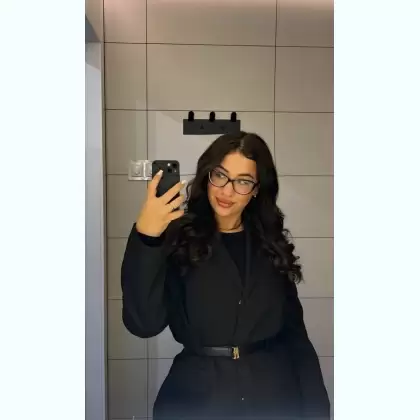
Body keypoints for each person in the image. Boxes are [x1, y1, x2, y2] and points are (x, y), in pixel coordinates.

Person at [121, 132, 330, 419]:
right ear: (207, 175)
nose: (227, 191)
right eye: (220, 175)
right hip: (197, 397)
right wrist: (147, 237)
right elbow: (143, 324)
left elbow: (295, 336)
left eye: (242, 181)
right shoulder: (176, 238)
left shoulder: (269, 244)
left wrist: (317, 409)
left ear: (256, 189)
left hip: (273, 393)